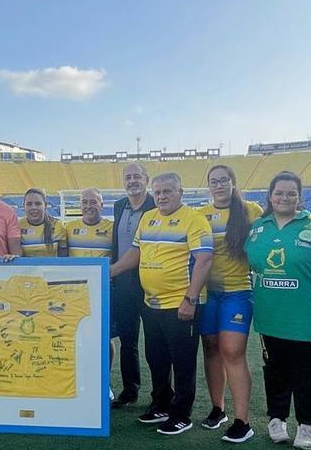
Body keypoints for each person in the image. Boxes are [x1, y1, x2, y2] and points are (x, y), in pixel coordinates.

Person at [110, 172, 213, 436]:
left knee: (182, 361)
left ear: (181, 192)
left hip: (180, 304)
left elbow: (204, 261)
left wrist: (190, 298)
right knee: (156, 358)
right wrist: (110, 270)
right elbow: (135, 252)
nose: (162, 196)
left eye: (168, 191)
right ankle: (161, 404)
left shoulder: (195, 219)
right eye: (158, 192)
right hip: (150, 303)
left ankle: (181, 415)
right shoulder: (148, 217)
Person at [244, 171, 311, 450]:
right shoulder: (258, 227)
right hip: (270, 315)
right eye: (279, 193)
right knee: (275, 370)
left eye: (291, 193)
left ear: (300, 197)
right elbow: (250, 265)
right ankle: (277, 418)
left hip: (310, 316)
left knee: (309, 373)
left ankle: (308, 424)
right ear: (270, 197)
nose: (284, 197)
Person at [197, 165, 262, 443]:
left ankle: (242, 420)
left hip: (238, 292)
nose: (219, 185)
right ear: (208, 186)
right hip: (207, 294)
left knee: (232, 352)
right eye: (214, 181)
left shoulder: (251, 210)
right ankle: (218, 409)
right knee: (211, 349)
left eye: (224, 180)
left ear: (234, 183)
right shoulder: (199, 215)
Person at [109, 163, 156, 409]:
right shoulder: (118, 206)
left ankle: (161, 395)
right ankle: (130, 390)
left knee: (156, 342)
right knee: (128, 340)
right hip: (123, 284)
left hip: (150, 281)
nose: (132, 180)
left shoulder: (156, 204)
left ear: (146, 179)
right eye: (128, 177)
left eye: (137, 176)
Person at [65, 187, 114, 399]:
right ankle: (81, 379)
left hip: (104, 293)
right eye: (85, 202)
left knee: (106, 337)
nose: (89, 206)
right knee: (78, 337)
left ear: (102, 204)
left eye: (93, 202)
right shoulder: (69, 228)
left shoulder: (112, 229)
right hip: (75, 293)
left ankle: (105, 381)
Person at [19, 187, 68, 257]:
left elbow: (63, 258)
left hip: (52, 267)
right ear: (23, 206)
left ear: (45, 205)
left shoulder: (58, 226)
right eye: (29, 204)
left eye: (38, 204)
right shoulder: (17, 226)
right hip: (26, 268)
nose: (34, 207)